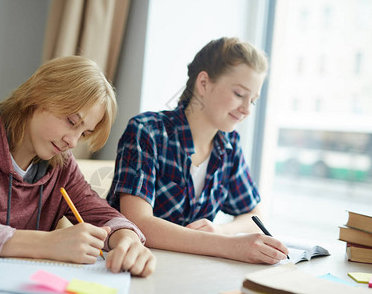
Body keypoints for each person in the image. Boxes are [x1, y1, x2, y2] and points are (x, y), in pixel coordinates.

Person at [0, 56, 156, 277]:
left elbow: (103, 215)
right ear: (38, 95)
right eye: (71, 121)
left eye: (84, 133)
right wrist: (43, 244)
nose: (73, 142)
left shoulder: (62, 165)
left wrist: (128, 240)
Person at [107, 37, 289, 264]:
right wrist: (227, 245)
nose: (246, 110)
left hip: (192, 269)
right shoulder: (147, 131)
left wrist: (221, 231)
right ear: (203, 83)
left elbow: (253, 215)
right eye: (240, 94)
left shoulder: (229, 145)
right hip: (135, 266)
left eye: (252, 101)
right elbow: (138, 222)